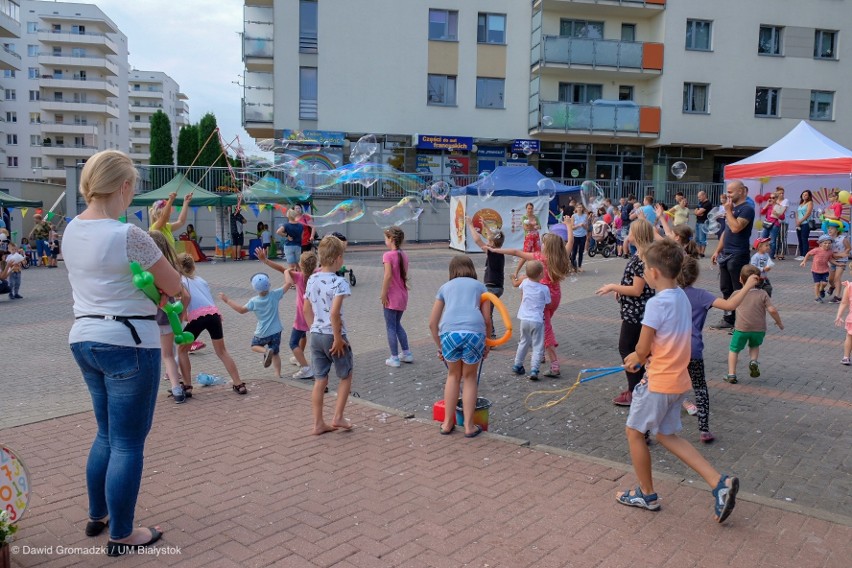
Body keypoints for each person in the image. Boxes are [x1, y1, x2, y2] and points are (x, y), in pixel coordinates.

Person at [62, 150, 182, 555]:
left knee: (106, 434)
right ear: (125, 186)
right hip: (129, 342)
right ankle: (124, 533)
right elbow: (175, 285)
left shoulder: (70, 229)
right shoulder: (128, 234)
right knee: (128, 442)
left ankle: (99, 515)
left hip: (84, 337)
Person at [619, 238, 740, 524]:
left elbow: (644, 348)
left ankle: (646, 494)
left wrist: (635, 358)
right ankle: (718, 482)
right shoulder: (682, 297)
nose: (645, 272)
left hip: (659, 382)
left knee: (634, 432)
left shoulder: (656, 303)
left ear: (655, 273)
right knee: (665, 434)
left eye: (645, 268)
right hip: (677, 382)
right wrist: (642, 357)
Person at [678, 256, 759, 443]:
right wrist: (747, 287)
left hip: (669, 351)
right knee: (700, 388)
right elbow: (730, 305)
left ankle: (646, 429)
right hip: (693, 350)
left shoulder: (667, 293)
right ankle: (704, 430)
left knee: (660, 389)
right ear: (695, 276)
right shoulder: (701, 295)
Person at [495, 222, 573, 377]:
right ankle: (541, 354)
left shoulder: (540, 257)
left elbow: (517, 252)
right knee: (544, 323)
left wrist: (495, 250)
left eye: (543, 244)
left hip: (541, 298)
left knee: (546, 328)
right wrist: (569, 226)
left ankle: (555, 365)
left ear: (548, 247)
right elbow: (570, 242)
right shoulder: (561, 256)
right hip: (554, 297)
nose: (541, 246)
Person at [429, 255, 492, 437]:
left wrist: (440, 346)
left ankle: (448, 423)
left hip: (449, 333)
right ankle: (469, 426)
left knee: (453, 376)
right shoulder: (480, 287)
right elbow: (487, 320)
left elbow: (433, 323)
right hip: (474, 333)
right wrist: (487, 344)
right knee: (469, 378)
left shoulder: (444, 288)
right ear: (471, 269)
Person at [596, 219, 656, 406]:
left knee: (627, 349)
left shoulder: (642, 259)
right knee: (638, 351)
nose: (627, 233)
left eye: (630, 230)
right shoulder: (644, 255)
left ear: (636, 235)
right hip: (639, 311)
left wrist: (614, 286)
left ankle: (634, 391)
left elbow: (637, 290)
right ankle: (641, 387)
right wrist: (621, 289)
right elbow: (635, 286)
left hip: (636, 313)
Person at [175, 253, 248, 395]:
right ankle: (238, 383)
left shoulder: (181, 281)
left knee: (182, 350)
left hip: (198, 316)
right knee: (222, 351)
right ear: (193, 266)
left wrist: (181, 316)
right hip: (214, 314)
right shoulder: (201, 280)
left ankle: (188, 386)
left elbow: (186, 299)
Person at [303, 235, 354, 434]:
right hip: (333, 336)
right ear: (337, 259)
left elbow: (306, 309)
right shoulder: (339, 282)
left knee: (320, 379)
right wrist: (338, 338)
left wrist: (313, 329)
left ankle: (318, 424)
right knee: (346, 375)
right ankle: (338, 417)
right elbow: (334, 314)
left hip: (315, 335)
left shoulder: (312, 278)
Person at [256, 247, 315, 380]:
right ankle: (298, 357)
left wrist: (265, 260)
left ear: (300, 264)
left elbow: (282, 269)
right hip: (314, 315)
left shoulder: (299, 277)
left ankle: (306, 368)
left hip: (301, 316)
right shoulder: (317, 274)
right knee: (303, 336)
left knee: (293, 343)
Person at [219, 273, 286, 379]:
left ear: (254, 288)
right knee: (275, 353)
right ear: (269, 284)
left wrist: (227, 300)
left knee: (254, 346)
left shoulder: (254, 301)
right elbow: (288, 284)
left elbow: (241, 310)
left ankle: (265, 351)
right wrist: (287, 271)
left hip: (262, 332)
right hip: (276, 331)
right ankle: (278, 374)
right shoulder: (275, 294)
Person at [148, 231, 189, 403]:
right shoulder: (172, 269)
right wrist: (180, 317)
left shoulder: (145, 269)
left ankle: (146, 392)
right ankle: (176, 388)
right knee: (167, 355)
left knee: (151, 356)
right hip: (166, 318)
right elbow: (186, 296)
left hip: (146, 319)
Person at [724, 265, 784, 384]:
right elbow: (772, 310)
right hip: (759, 329)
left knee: (734, 350)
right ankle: (753, 361)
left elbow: (728, 306)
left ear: (740, 279)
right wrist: (779, 322)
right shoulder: (763, 294)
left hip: (741, 328)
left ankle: (731, 374)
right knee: (754, 346)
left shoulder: (737, 293)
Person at [711, 180, 755, 329]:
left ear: (741, 191)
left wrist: (728, 211)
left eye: (730, 192)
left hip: (738, 255)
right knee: (726, 288)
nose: (727, 194)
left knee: (739, 289)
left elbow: (736, 228)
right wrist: (717, 250)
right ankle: (728, 318)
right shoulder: (732, 209)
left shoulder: (747, 209)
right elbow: (726, 232)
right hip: (726, 254)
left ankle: (741, 321)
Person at [465, 216, 505, 340]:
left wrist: (470, 225)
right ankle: (486, 332)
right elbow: (492, 238)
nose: (487, 242)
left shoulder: (492, 252)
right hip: (497, 287)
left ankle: (490, 336)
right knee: (485, 310)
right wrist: (486, 226)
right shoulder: (498, 251)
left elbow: (478, 240)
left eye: (488, 241)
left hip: (492, 288)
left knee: (487, 313)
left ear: (492, 243)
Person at [510, 260, 550, 381]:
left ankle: (517, 365)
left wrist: (515, 277)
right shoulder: (544, 289)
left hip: (524, 319)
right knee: (537, 345)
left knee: (523, 342)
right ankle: (534, 369)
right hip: (537, 320)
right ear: (540, 275)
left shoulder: (525, 283)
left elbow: (517, 284)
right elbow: (548, 303)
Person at [381, 227, 412, 367]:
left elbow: (388, 276)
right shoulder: (404, 254)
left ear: (392, 239)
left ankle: (394, 358)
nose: (385, 240)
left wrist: (383, 293)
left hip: (392, 296)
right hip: (403, 295)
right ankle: (406, 353)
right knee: (397, 324)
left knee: (390, 327)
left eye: (386, 238)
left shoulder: (388, 255)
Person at [800, 234, 837, 302]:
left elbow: (830, 259)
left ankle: (821, 290)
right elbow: (808, 254)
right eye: (825, 243)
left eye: (829, 243)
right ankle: (817, 297)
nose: (827, 245)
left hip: (825, 270)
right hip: (816, 270)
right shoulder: (816, 250)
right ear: (820, 244)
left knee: (824, 283)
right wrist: (804, 261)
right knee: (817, 284)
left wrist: (837, 264)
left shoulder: (830, 251)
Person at [826, 224, 850, 303]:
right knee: (830, 280)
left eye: (832, 229)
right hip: (832, 260)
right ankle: (832, 287)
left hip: (842, 260)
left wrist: (843, 254)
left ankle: (837, 297)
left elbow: (848, 247)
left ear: (837, 230)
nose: (829, 230)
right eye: (829, 229)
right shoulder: (827, 239)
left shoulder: (843, 238)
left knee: (837, 278)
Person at [833, 280, 852, 365]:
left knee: (849, 337)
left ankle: (846, 357)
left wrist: (839, 315)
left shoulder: (849, 287)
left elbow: (844, 302)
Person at [759, 193, 783, 259]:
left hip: (775, 224)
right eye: (770, 197)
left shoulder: (779, 206)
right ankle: (762, 255)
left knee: (772, 241)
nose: (771, 199)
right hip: (767, 224)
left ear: (776, 198)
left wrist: (777, 213)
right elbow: (761, 212)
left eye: (773, 197)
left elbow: (782, 217)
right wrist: (767, 204)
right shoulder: (769, 206)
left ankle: (771, 256)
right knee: (763, 239)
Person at [794, 190, 814, 261]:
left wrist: (800, 221)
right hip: (799, 224)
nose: (804, 196)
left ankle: (805, 255)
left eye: (806, 195)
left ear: (808, 196)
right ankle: (801, 254)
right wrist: (797, 221)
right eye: (803, 195)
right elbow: (797, 213)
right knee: (800, 239)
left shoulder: (810, 203)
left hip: (805, 223)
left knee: (804, 239)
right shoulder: (801, 204)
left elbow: (808, 213)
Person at [570, 203, 589, 272]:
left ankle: (579, 266)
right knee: (574, 252)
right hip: (575, 236)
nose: (579, 209)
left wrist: (584, 225)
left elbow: (587, 227)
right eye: (578, 207)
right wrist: (578, 225)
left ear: (583, 208)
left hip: (583, 236)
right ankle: (572, 266)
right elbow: (572, 227)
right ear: (576, 208)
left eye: (581, 207)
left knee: (581, 251)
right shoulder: (573, 216)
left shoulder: (585, 216)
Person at [773, 187, 790, 260]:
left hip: (784, 221)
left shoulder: (785, 201)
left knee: (782, 238)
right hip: (776, 221)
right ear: (777, 193)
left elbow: (781, 211)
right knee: (776, 238)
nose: (782, 194)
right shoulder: (775, 200)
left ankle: (782, 253)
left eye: (783, 193)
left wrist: (776, 205)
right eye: (780, 193)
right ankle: (775, 253)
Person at [694, 190, 712, 257]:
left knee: (702, 238)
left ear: (704, 195)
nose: (699, 198)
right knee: (697, 238)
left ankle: (702, 253)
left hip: (704, 223)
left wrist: (698, 212)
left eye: (699, 197)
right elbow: (695, 211)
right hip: (698, 222)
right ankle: (698, 252)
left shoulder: (708, 203)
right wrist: (697, 212)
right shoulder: (700, 203)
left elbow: (698, 212)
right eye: (698, 197)